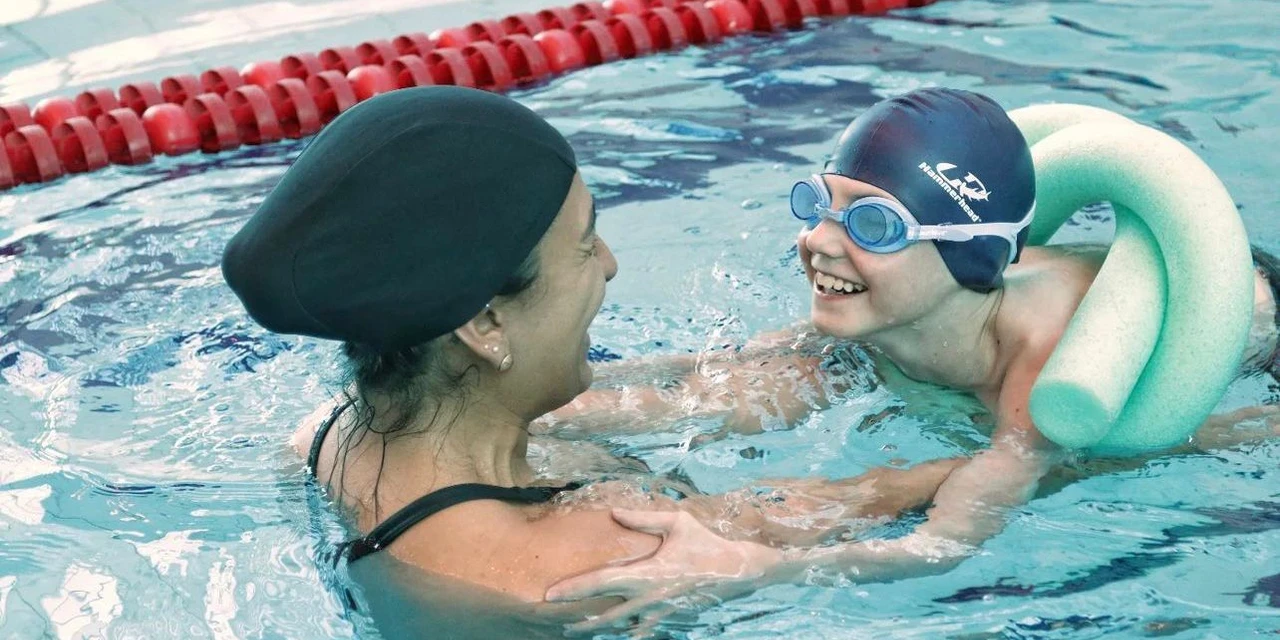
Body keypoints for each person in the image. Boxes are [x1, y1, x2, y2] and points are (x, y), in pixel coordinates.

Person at [220, 86, 974, 639]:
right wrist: (1041, 442)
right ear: (485, 322)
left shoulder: (329, 436)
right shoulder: (592, 558)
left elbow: (636, 399)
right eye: (585, 243)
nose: (609, 265)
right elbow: (862, 502)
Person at [538, 88, 1280, 630]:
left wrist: (754, 568)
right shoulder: (888, 302)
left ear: (973, 255)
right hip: (974, 311)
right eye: (820, 203)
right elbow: (700, 374)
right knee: (763, 378)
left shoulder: (1038, 375)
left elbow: (941, 546)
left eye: (872, 224)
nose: (820, 241)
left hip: (1230, 307)